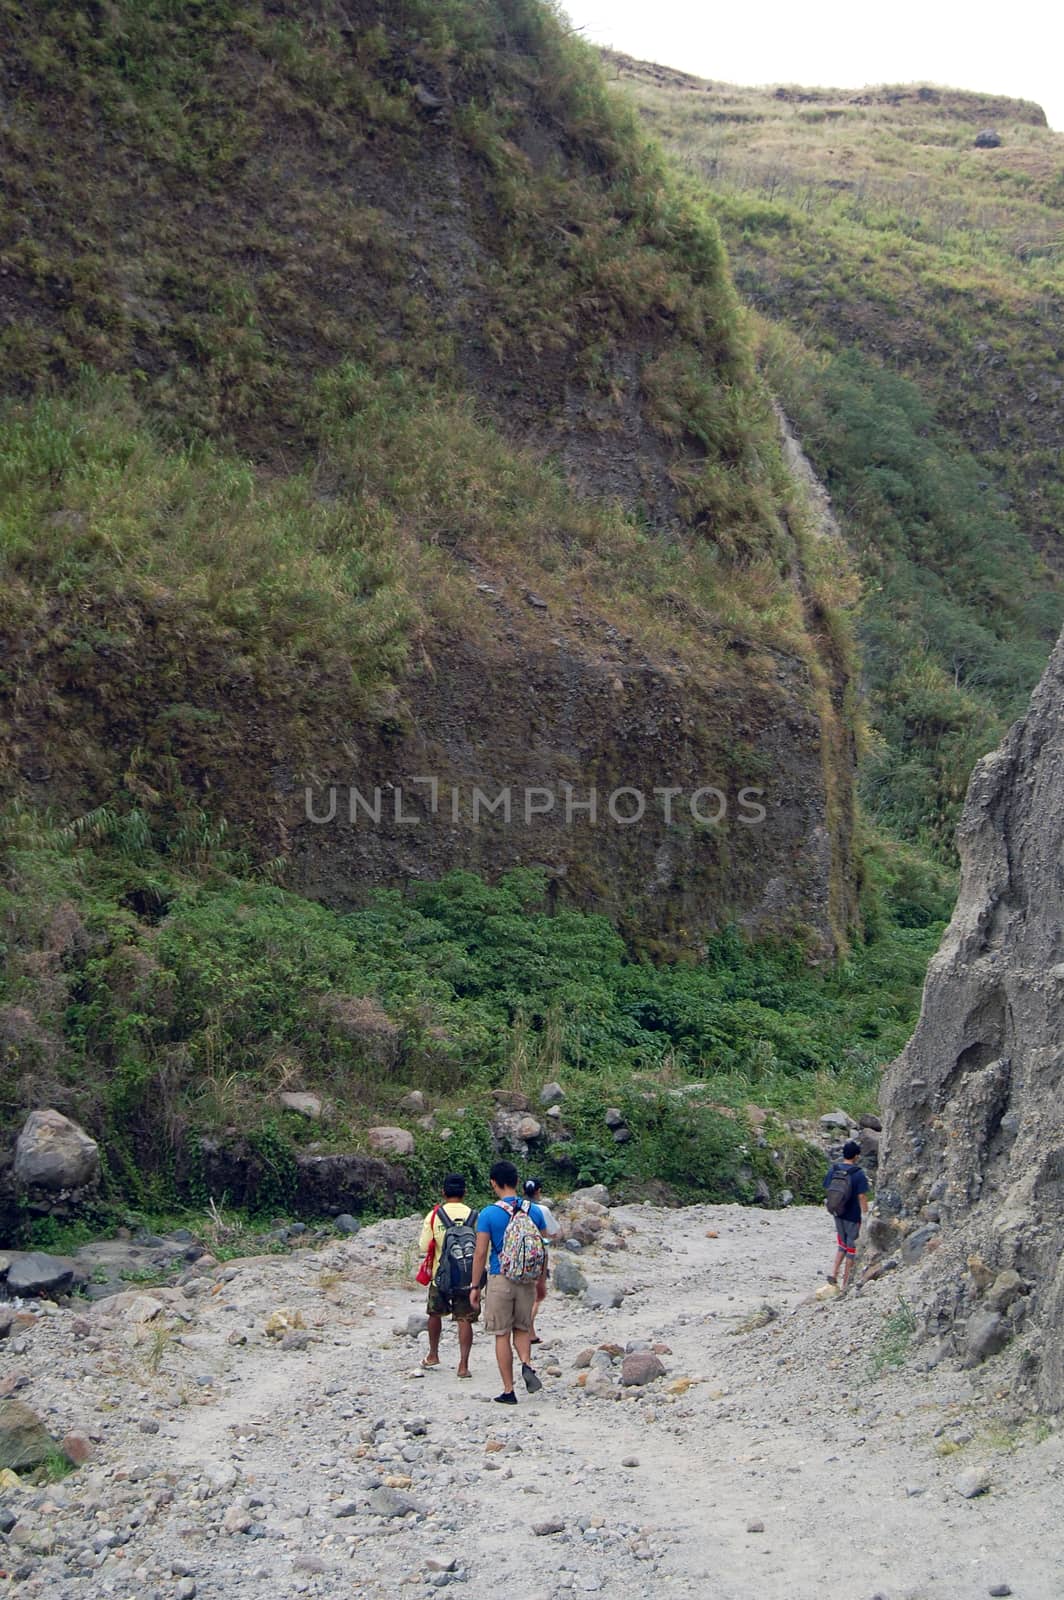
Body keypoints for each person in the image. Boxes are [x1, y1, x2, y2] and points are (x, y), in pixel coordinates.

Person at [469, 1160, 547, 1404]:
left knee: (501, 1334)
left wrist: (474, 1286)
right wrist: (541, 1280)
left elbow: (481, 1253)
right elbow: (543, 1248)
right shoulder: (534, 1211)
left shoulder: (489, 1214)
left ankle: (508, 1390)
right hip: (527, 1279)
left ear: (494, 1183)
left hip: (500, 1277)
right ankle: (526, 1362)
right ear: (516, 1181)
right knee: (522, 1329)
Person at [417, 1174, 479, 1377]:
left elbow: (424, 1246)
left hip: (440, 1276)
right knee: (464, 1319)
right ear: (465, 1193)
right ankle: (463, 1365)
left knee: (434, 1314)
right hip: (466, 1277)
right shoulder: (474, 1215)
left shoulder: (434, 1216)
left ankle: (433, 1354)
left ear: (443, 1192)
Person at [824, 1139, 871, 1291]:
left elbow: (828, 1187)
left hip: (838, 1213)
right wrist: (865, 1215)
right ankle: (845, 1282)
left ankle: (834, 1273)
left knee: (841, 1245)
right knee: (851, 1248)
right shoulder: (858, 1174)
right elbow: (862, 1197)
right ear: (856, 1156)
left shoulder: (834, 1169)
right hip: (852, 1216)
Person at [523, 1177, 560, 1345]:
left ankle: (528, 1330)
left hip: (517, 1256)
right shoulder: (543, 1210)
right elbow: (555, 1233)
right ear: (538, 1191)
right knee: (536, 1296)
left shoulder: (517, 1208)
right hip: (538, 1257)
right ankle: (527, 1329)